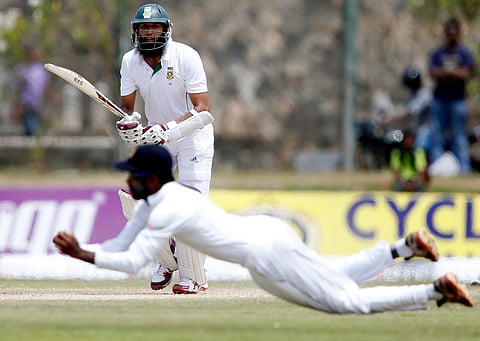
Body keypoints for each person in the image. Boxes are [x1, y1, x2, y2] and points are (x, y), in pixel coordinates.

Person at [53, 145, 474, 314]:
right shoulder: (156, 201)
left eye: (134, 176)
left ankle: (435, 292)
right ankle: (403, 247)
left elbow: (133, 259)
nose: (128, 183)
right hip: (266, 233)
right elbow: (121, 243)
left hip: (263, 256)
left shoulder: (169, 206)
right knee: (337, 276)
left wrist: (81, 255)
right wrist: (85, 248)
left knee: (346, 304)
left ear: (153, 179)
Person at [113, 3, 214, 294]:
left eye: (154, 26)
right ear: (136, 32)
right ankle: (166, 260)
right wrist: (130, 126)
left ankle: (194, 275)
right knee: (137, 197)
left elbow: (203, 109)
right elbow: (128, 111)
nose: (148, 32)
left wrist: (167, 129)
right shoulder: (130, 62)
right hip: (157, 137)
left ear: (165, 30)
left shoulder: (186, 57)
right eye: (143, 27)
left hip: (192, 134)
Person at [428, 18, 475, 174]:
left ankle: (464, 168)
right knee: (437, 135)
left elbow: (466, 72)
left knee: (459, 136)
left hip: (457, 101)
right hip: (439, 100)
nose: (451, 36)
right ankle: (436, 168)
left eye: (454, 34)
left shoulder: (464, 53)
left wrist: (447, 73)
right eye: (449, 33)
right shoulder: (438, 53)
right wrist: (451, 73)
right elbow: (433, 72)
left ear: (458, 34)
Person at [381, 66, 433, 162]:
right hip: (415, 129)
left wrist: (390, 120)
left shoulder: (425, 94)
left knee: (419, 149)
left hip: (427, 130)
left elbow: (409, 112)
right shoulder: (412, 95)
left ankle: (424, 168)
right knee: (393, 138)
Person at [12, 48, 50, 136]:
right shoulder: (21, 69)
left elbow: (46, 87)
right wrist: (16, 105)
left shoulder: (41, 70)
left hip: (38, 103)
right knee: (29, 127)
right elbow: (18, 88)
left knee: (36, 126)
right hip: (25, 103)